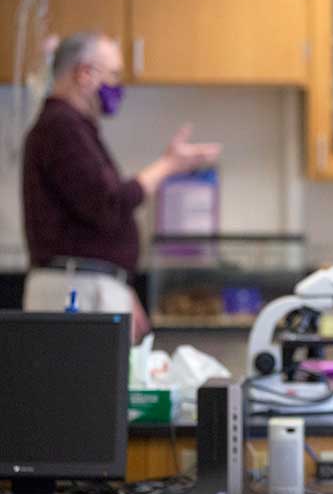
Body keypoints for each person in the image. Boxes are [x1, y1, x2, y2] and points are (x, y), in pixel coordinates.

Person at [21, 32, 220, 340]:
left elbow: (94, 220)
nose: (117, 86)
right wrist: (169, 165)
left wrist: (119, 284)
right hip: (76, 290)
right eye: (113, 75)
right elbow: (109, 202)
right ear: (84, 74)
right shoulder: (61, 127)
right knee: (86, 387)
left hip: (88, 283)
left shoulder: (74, 128)